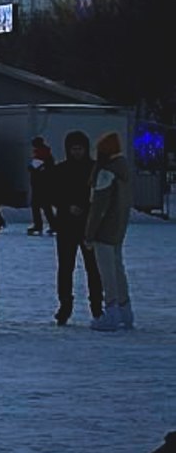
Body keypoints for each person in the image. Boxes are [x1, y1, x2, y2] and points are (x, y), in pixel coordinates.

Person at [49, 130, 103, 326]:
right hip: (66, 226)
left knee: (93, 268)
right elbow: (52, 194)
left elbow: (100, 196)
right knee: (65, 268)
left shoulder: (94, 169)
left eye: (80, 148)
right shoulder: (60, 170)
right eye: (74, 148)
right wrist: (66, 206)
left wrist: (85, 208)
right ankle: (65, 306)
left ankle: (97, 307)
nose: (77, 152)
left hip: (89, 226)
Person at [88, 130, 133, 331]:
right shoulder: (124, 171)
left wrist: (89, 233)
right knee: (117, 268)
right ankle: (124, 309)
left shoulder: (106, 172)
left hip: (104, 231)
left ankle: (112, 311)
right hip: (119, 227)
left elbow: (98, 207)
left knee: (107, 272)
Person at [27, 136, 55, 235]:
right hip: (45, 184)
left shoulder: (40, 154)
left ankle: (38, 225)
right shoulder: (47, 153)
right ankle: (53, 225)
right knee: (46, 206)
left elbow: (32, 168)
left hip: (39, 184)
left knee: (36, 205)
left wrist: (30, 168)